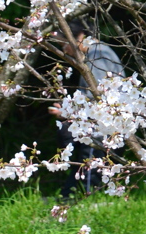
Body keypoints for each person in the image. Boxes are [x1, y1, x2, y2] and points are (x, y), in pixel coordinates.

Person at [48, 18, 124, 199]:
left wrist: (67, 112)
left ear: (76, 38)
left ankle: (86, 204)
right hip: (104, 126)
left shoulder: (97, 54)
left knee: (91, 174)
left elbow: (99, 97)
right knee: (84, 169)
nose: (64, 50)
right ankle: (69, 199)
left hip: (102, 129)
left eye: (63, 44)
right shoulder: (97, 53)